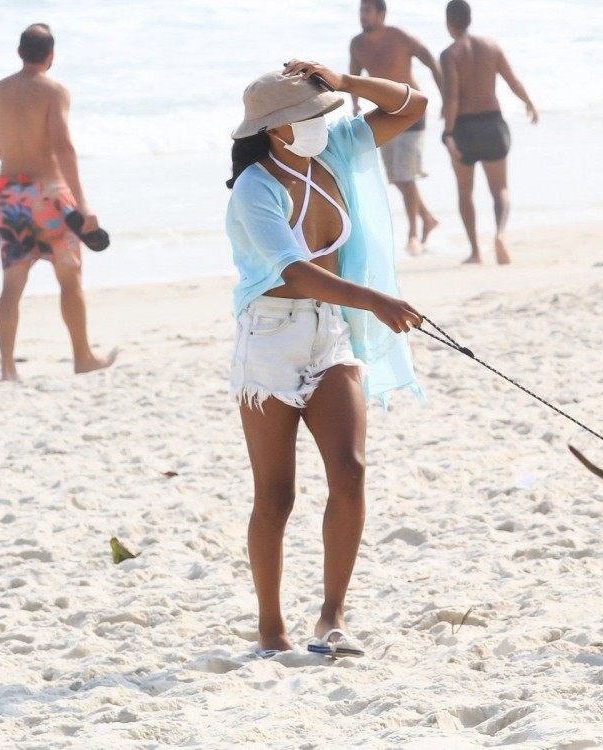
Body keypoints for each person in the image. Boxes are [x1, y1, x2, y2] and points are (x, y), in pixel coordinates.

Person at [226, 59, 426, 658]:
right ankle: (270, 627)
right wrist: (376, 299)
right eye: (307, 116)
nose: (321, 123)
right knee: (277, 494)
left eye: (320, 112)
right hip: (270, 341)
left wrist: (345, 81)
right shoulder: (254, 189)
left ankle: (332, 618)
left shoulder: (335, 150)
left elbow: (412, 107)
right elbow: (292, 270)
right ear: (275, 129)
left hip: (330, 333)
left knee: (351, 470)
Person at [0, 23, 116, 381]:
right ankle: (83, 357)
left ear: (19, 52)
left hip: (10, 195)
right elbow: (63, 147)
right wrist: (83, 205)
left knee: (12, 284)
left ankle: (8, 370)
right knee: (69, 280)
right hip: (50, 196)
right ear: (51, 56)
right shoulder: (54, 91)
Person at [439, 0, 538, 265]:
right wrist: (529, 102)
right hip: (493, 125)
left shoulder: (450, 54)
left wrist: (448, 134)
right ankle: (501, 235)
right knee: (500, 189)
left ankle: (475, 251)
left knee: (465, 192)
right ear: (469, 19)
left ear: (449, 22)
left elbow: (452, 98)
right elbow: (512, 80)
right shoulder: (491, 47)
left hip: (463, 128)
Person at [350, 0, 443, 256]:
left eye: (367, 11)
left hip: (411, 111)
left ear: (381, 14)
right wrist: (355, 105)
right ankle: (427, 218)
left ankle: (413, 233)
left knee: (405, 176)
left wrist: (445, 97)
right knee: (397, 178)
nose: (363, 16)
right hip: (383, 115)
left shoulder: (399, 36)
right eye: (361, 11)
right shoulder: (357, 44)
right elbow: (354, 75)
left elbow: (431, 61)